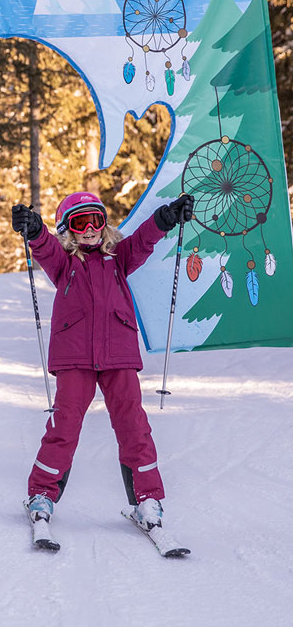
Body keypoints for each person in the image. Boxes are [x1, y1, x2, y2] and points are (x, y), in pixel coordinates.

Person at [11, 190, 193, 540]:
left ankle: (148, 500)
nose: (91, 228)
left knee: (133, 426)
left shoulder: (119, 258)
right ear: (68, 229)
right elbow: (45, 248)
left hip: (118, 354)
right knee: (65, 426)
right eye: (81, 222)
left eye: (97, 219)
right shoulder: (64, 264)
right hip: (74, 356)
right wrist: (34, 229)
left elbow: (143, 240)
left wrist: (165, 218)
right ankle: (42, 495)